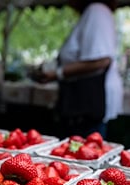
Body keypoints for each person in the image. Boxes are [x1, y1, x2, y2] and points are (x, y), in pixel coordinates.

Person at [39, 0, 123, 139]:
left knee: (87, 148)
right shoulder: (94, 12)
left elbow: (101, 60)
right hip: (86, 103)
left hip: (89, 104)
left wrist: (58, 73)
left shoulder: (97, 11)